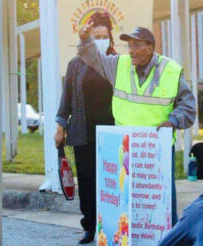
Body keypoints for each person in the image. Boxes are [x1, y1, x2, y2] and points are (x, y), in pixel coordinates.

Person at [78, 25, 196, 225]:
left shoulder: (171, 70)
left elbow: (188, 107)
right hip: (124, 148)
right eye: (128, 45)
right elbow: (93, 58)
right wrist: (85, 39)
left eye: (136, 45)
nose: (130, 50)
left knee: (162, 203)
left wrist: (173, 121)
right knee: (125, 201)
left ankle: (169, 243)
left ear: (150, 47)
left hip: (156, 151)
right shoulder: (119, 65)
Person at [54, 11, 116, 244]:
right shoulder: (75, 65)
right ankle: (89, 225)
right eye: (95, 35)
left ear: (111, 38)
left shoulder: (116, 61)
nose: (100, 39)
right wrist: (60, 125)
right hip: (83, 130)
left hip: (111, 132)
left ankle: (109, 225)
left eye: (104, 35)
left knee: (111, 180)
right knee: (88, 180)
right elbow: (66, 100)